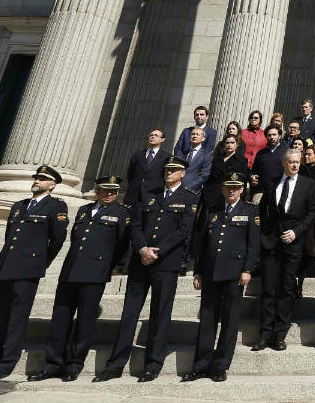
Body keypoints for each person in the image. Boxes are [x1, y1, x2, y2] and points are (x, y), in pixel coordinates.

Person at [0, 165, 68, 383]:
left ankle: (5, 364)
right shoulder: (19, 206)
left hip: (28, 270)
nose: (37, 180)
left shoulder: (56, 207)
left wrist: (40, 263)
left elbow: (57, 240)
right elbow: (10, 237)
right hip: (5, 267)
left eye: (42, 179)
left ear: (52, 185)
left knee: (16, 319)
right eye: (36, 177)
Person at [95, 155, 198, 383]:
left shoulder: (189, 197)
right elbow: (136, 224)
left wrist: (157, 251)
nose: (168, 173)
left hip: (165, 264)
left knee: (160, 315)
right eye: (167, 170)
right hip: (141, 262)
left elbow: (183, 231)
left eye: (173, 170)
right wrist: (142, 248)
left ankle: (153, 365)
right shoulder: (149, 194)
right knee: (129, 314)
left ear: (183, 173)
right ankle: (115, 364)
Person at [26, 174, 128, 383]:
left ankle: (73, 365)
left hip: (95, 273)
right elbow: (75, 239)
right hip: (71, 271)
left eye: (113, 191)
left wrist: (116, 267)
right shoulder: (84, 210)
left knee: (84, 322)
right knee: (60, 319)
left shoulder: (122, 213)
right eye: (105, 190)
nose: (109, 194)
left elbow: (123, 244)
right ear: (97, 191)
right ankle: (52, 364)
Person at [182, 172, 258, 383]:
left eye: (236, 187)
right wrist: (197, 271)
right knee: (207, 319)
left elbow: (253, 245)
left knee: (230, 321)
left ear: (242, 189)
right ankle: (201, 365)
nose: (231, 190)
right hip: (211, 272)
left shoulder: (250, 211)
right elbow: (202, 245)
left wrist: (248, 269)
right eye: (228, 187)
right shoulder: (213, 212)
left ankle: (220, 365)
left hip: (235, 274)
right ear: (223, 189)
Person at [253, 149, 315, 352]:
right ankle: (264, 334)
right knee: (269, 289)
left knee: (287, 289)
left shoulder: (308, 184)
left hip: (293, 243)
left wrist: (296, 232)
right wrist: (263, 235)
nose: (295, 165)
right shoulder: (272, 182)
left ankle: (279, 335)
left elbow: (311, 212)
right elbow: (263, 210)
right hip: (271, 243)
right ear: (284, 163)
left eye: (298, 162)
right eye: (291, 162)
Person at [124, 128, 169, 207]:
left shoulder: (166, 157)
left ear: (162, 139)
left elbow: (166, 177)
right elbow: (130, 174)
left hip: (153, 197)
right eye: (151, 135)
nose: (152, 137)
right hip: (134, 196)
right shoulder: (137, 155)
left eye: (156, 135)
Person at [250, 124, 287, 200]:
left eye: (274, 134)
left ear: (279, 136)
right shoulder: (261, 153)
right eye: (269, 135)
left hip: (279, 192)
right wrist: (252, 177)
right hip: (260, 192)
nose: (272, 137)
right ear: (266, 137)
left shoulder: (286, 152)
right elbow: (253, 171)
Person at [179, 126, 213, 193]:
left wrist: (188, 187)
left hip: (192, 191)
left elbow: (204, 175)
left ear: (203, 138)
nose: (194, 136)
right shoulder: (184, 153)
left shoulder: (207, 154)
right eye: (193, 134)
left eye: (197, 134)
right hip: (177, 189)